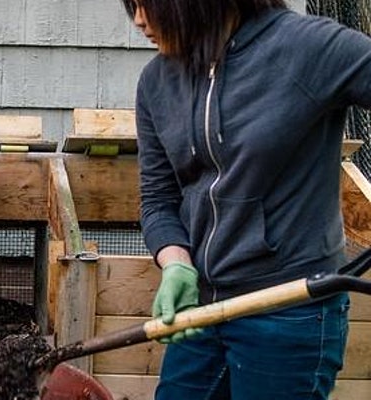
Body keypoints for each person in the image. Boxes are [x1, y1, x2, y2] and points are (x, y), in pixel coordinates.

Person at [120, 0, 371, 399]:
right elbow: (158, 198)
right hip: (201, 312)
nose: (138, 19)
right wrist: (175, 264)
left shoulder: (306, 48)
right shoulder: (157, 81)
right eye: (130, 4)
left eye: (147, 3)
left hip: (289, 312)